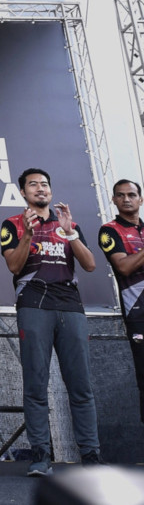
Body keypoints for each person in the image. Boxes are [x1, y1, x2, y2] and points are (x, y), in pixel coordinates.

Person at [1, 168, 101, 475]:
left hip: (70, 306)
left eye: (45, 184)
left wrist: (71, 233)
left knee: (81, 385)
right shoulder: (13, 224)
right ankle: (41, 455)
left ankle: (92, 456)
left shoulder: (68, 224)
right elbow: (13, 266)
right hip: (34, 304)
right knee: (35, 385)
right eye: (33, 185)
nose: (41, 189)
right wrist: (28, 235)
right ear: (23, 192)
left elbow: (90, 264)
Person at [99, 179, 144, 427]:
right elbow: (124, 266)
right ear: (114, 200)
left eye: (132, 194)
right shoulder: (110, 230)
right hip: (139, 313)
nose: (127, 199)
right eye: (121, 195)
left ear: (141, 199)